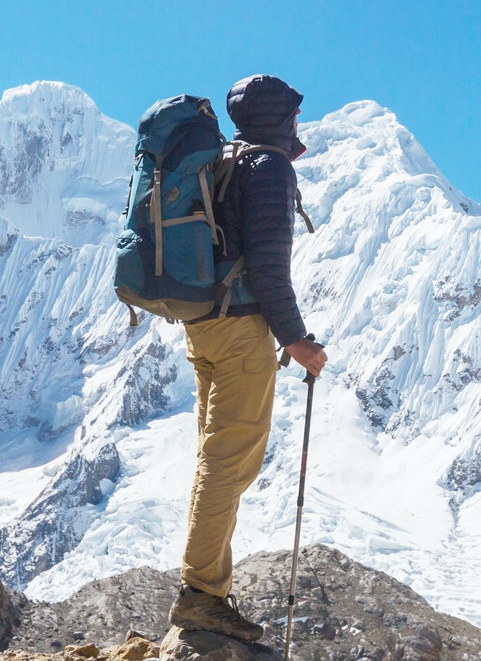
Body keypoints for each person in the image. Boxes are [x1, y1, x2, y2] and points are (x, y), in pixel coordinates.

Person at [168, 74, 328, 642]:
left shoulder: (227, 161)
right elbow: (268, 264)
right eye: (294, 119)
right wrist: (295, 339)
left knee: (217, 458)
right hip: (241, 332)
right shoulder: (269, 168)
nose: (298, 128)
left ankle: (207, 587)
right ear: (280, 119)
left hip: (204, 327)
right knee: (230, 462)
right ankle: (201, 595)